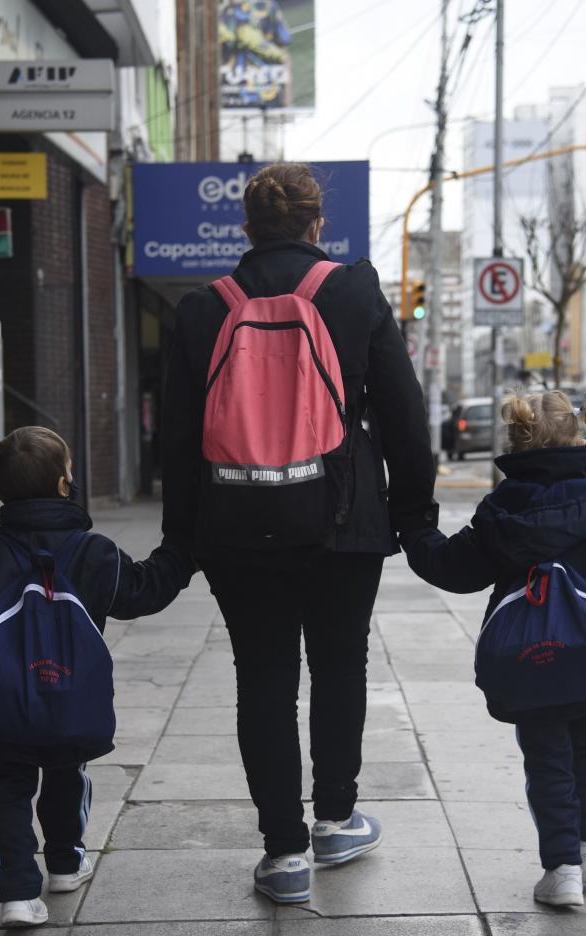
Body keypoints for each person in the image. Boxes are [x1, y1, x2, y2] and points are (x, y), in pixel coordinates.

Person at [160, 163, 437, 903]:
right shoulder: (352, 292)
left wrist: (178, 541)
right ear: (319, 227)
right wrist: (417, 518)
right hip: (343, 521)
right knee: (342, 666)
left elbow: (179, 439)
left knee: (264, 679)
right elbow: (406, 420)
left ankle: (283, 855)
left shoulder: (200, 309)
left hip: (236, 523)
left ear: (244, 231)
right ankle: (337, 819)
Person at [401, 390, 586, 907]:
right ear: (580, 439)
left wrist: (415, 529)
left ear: (517, 444)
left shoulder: (501, 514)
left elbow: (452, 567)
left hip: (529, 663)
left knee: (546, 758)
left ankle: (562, 867)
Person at [0, 426, 194, 928]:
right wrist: (183, 553)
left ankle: (16, 892)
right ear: (62, 486)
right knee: (65, 776)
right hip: (70, 697)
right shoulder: (91, 551)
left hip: (1, 705)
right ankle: (65, 862)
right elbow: (142, 591)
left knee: (6, 790)